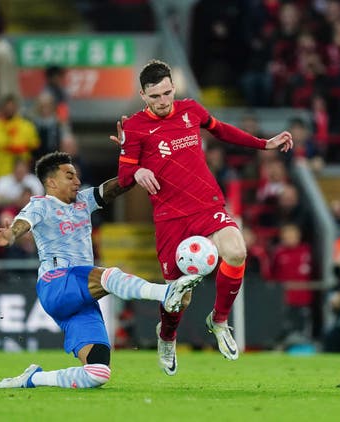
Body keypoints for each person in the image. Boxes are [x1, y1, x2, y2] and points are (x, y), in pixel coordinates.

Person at [110, 60, 293, 372]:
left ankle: (219, 320)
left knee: (236, 252)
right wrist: (138, 169)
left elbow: (221, 130)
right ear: (143, 95)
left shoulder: (190, 109)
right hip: (170, 217)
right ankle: (167, 337)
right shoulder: (135, 127)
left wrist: (264, 144)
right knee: (179, 298)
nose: (164, 101)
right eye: (155, 97)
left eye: (167, 93)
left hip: (206, 205)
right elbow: (124, 176)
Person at [0, 152, 203, 389]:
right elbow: (23, 224)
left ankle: (32, 378)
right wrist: (10, 234)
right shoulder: (40, 205)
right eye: (69, 176)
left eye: (76, 176)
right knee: (106, 275)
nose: (77, 181)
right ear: (51, 182)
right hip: (56, 284)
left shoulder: (83, 200)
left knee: (98, 372)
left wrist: (133, 159)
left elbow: (115, 187)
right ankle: (165, 293)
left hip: (81, 299)